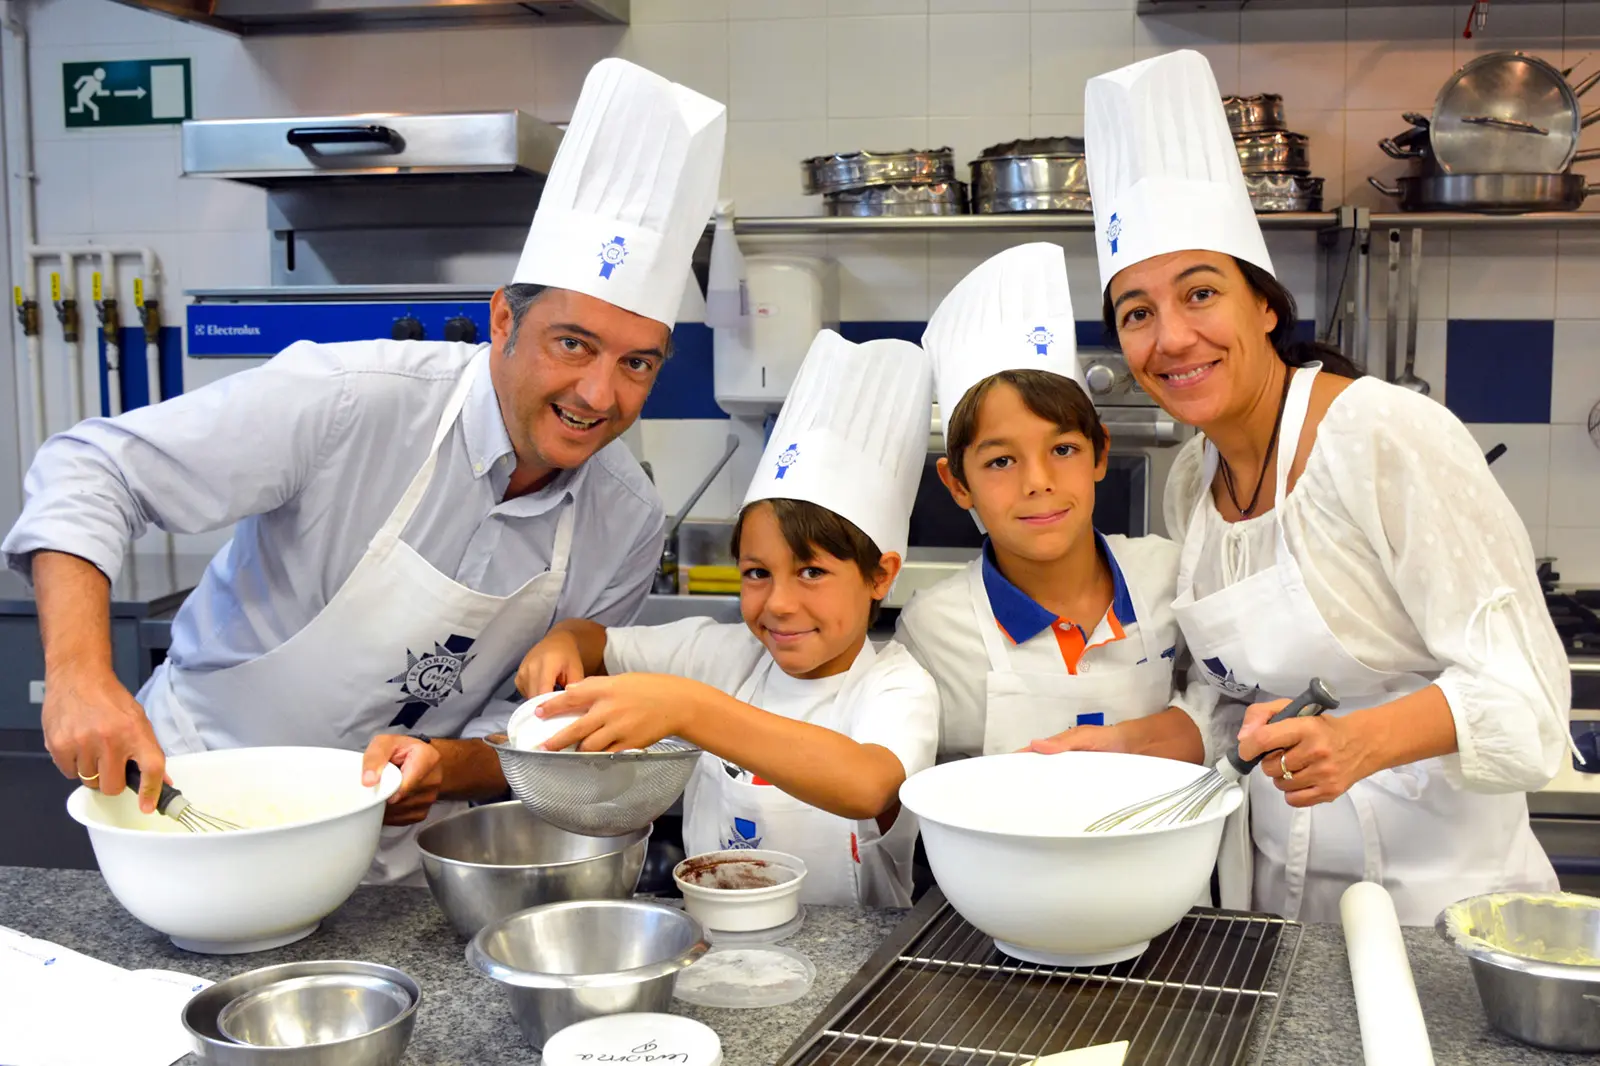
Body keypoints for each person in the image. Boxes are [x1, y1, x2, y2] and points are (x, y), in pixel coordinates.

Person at [1, 58, 727, 884]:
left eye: (638, 363)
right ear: (502, 320)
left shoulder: (625, 519)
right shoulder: (349, 401)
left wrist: (444, 766)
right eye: (573, 344)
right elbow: (93, 468)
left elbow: (538, 735)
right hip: (189, 803)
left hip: (391, 862)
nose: (599, 394)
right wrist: (81, 676)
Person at [1070, 49, 1572, 923]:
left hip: (1444, 916)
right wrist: (1119, 749)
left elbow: (1527, 701)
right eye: (1137, 313)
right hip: (1285, 916)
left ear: (1264, 304)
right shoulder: (1197, 478)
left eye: (1199, 293)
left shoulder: (1382, 436)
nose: (1171, 338)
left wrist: (1360, 741)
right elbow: (1243, 707)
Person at [513, 330, 939, 907]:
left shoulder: (896, 684)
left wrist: (686, 707)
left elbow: (867, 784)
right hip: (712, 945)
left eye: (811, 573)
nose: (779, 604)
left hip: (858, 974)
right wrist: (562, 641)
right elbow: (593, 643)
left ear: (880, 576)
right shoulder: (723, 653)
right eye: (757, 573)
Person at [895, 242, 1216, 762]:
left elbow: (1221, 708)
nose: (1037, 482)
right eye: (1001, 461)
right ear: (957, 484)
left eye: (1063, 449)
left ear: (1099, 455)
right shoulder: (933, 629)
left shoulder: (1170, 576)